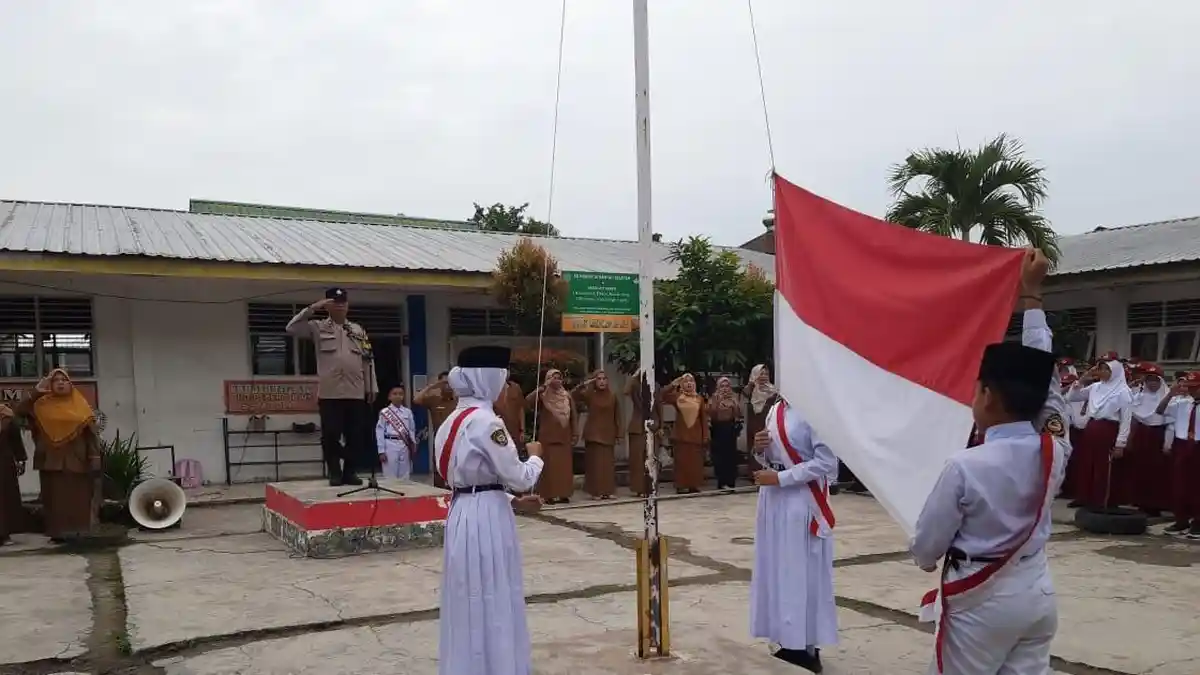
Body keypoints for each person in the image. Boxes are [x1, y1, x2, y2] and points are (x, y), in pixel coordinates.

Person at [911, 248, 1067, 674]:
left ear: (989, 398)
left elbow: (926, 546)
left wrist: (924, 560)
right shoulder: (1055, 450)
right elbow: (1046, 383)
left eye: (977, 389)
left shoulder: (966, 466)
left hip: (980, 598)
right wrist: (1032, 297)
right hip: (1035, 589)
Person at [434, 345, 545, 675]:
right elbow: (519, 477)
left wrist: (511, 500)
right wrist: (536, 456)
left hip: (463, 511)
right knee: (494, 593)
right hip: (487, 520)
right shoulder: (487, 423)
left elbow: (466, 479)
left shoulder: (452, 419)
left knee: (466, 597)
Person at [748, 398, 839, 672]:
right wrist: (758, 448)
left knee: (799, 571)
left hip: (800, 500)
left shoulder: (815, 409)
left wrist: (781, 479)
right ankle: (787, 638)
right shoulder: (776, 409)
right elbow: (771, 457)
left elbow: (827, 462)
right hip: (773, 498)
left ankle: (805, 645)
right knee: (777, 570)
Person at [286, 288, 376, 487]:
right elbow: (291, 328)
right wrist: (313, 308)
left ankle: (350, 473)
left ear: (348, 305)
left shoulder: (357, 330)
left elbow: (368, 360)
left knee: (355, 435)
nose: (340, 305)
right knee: (331, 434)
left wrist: (371, 387)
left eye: (343, 302)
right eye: (335, 302)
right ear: (327, 304)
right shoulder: (318, 327)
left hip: (355, 392)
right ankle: (334, 471)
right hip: (330, 393)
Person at [16, 369, 103, 542]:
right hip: (50, 461)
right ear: (50, 384)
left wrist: (94, 458)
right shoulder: (41, 405)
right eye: (56, 380)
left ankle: (80, 531)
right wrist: (37, 390)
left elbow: (91, 436)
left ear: (70, 384)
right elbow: (19, 411)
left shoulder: (80, 405)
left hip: (77, 459)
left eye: (64, 380)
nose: (61, 383)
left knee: (78, 497)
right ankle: (58, 533)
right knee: (55, 499)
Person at [1065, 356, 1132, 509]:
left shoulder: (1123, 391)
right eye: (1100, 369)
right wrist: (1083, 379)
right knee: (1087, 463)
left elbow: (1126, 419)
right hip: (1091, 428)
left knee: (1104, 466)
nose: (1101, 372)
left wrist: (1121, 443)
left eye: (1105, 369)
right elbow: (1071, 397)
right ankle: (1084, 496)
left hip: (1108, 430)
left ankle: (1102, 500)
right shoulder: (1095, 387)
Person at [1154, 371, 1199, 538]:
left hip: (1198, 446)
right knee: (1180, 485)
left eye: (1196, 388)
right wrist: (1170, 394)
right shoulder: (1182, 403)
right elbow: (1159, 410)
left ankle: (1198, 522)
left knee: (1196, 486)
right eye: (1190, 387)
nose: (1192, 391)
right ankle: (1181, 520)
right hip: (1181, 444)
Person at [526, 369, 578, 504]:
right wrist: (541, 388)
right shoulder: (543, 395)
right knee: (549, 468)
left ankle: (563, 494)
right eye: (553, 378)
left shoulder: (566, 396)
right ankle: (548, 495)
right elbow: (528, 402)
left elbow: (573, 417)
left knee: (564, 467)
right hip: (548, 437)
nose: (556, 381)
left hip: (564, 436)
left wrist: (575, 433)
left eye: (559, 378)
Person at [1127, 364, 1170, 515]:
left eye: (1155, 381)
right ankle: (1141, 502)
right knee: (1140, 468)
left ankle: (1156, 504)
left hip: (1159, 436)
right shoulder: (1139, 396)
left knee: (1157, 471)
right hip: (1142, 435)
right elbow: (1133, 416)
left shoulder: (1168, 397)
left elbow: (1170, 421)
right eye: (1149, 380)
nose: (1152, 384)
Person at [572, 370, 622, 500]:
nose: (602, 381)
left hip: (608, 433)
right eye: (599, 379)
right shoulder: (590, 395)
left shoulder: (612, 396)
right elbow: (573, 395)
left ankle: (608, 490)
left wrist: (619, 434)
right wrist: (585, 384)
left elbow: (618, 415)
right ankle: (596, 491)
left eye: (604, 379)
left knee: (608, 465)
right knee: (595, 465)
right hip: (593, 434)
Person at [662, 373, 708, 494]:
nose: (689, 384)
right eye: (686, 381)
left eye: (691, 381)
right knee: (681, 462)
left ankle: (694, 485)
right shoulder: (678, 397)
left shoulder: (699, 399)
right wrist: (673, 384)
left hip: (695, 436)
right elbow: (662, 395)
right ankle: (681, 485)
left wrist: (705, 436)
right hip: (681, 436)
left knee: (695, 463)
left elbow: (703, 418)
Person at [416, 372, 458, 489]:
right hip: (439, 441)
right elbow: (417, 399)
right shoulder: (434, 399)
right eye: (444, 383)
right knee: (438, 469)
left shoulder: (459, 400)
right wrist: (433, 385)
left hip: (456, 441)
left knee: (455, 469)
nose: (447, 386)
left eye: (449, 383)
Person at [624, 370, 661, 498]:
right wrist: (635, 373)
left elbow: (659, 406)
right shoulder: (635, 385)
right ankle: (639, 488)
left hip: (652, 426)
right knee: (637, 460)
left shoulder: (655, 385)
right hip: (637, 426)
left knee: (652, 458)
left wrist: (660, 425)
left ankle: (651, 487)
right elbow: (626, 391)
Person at [708, 376, 743, 490]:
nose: (725, 388)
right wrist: (718, 401)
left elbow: (738, 413)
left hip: (730, 429)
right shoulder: (714, 398)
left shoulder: (733, 398)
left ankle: (731, 481)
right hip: (718, 429)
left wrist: (734, 403)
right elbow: (712, 414)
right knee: (719, 456)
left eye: (727, 386)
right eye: (722, 386)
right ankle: (721, 481)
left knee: (731, 456)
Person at [744, 364, 779, 474]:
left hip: (770, 424)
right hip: (754, 424)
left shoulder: (774, 391)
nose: (763, 376)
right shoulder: (748, 391)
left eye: (766, 374)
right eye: (761, 373)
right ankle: (754, 474)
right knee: (756, 448)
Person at [0, 403, 27, 545]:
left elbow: (16, 441)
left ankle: (4, 534)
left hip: (3, 464)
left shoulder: (7, 417)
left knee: (5, 498)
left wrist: (21, 460)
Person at [376, 385, 417, 480]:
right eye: (395, 394)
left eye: (400, 394)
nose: (398, 396)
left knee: (404, 475)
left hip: (404, 444)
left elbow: (412, 429)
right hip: (390, 444)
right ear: (389, 397)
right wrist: (381, 451)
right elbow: (379, 431)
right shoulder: (385, 412)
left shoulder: (408, 412)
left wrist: (413, 444)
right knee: (390, 474)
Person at [495, 377, 526, 454]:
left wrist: (522, 430)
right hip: (498, 431)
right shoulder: (492, 388)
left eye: (507, 369)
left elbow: (521, 409)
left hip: (514, 431)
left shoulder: (516, 387)